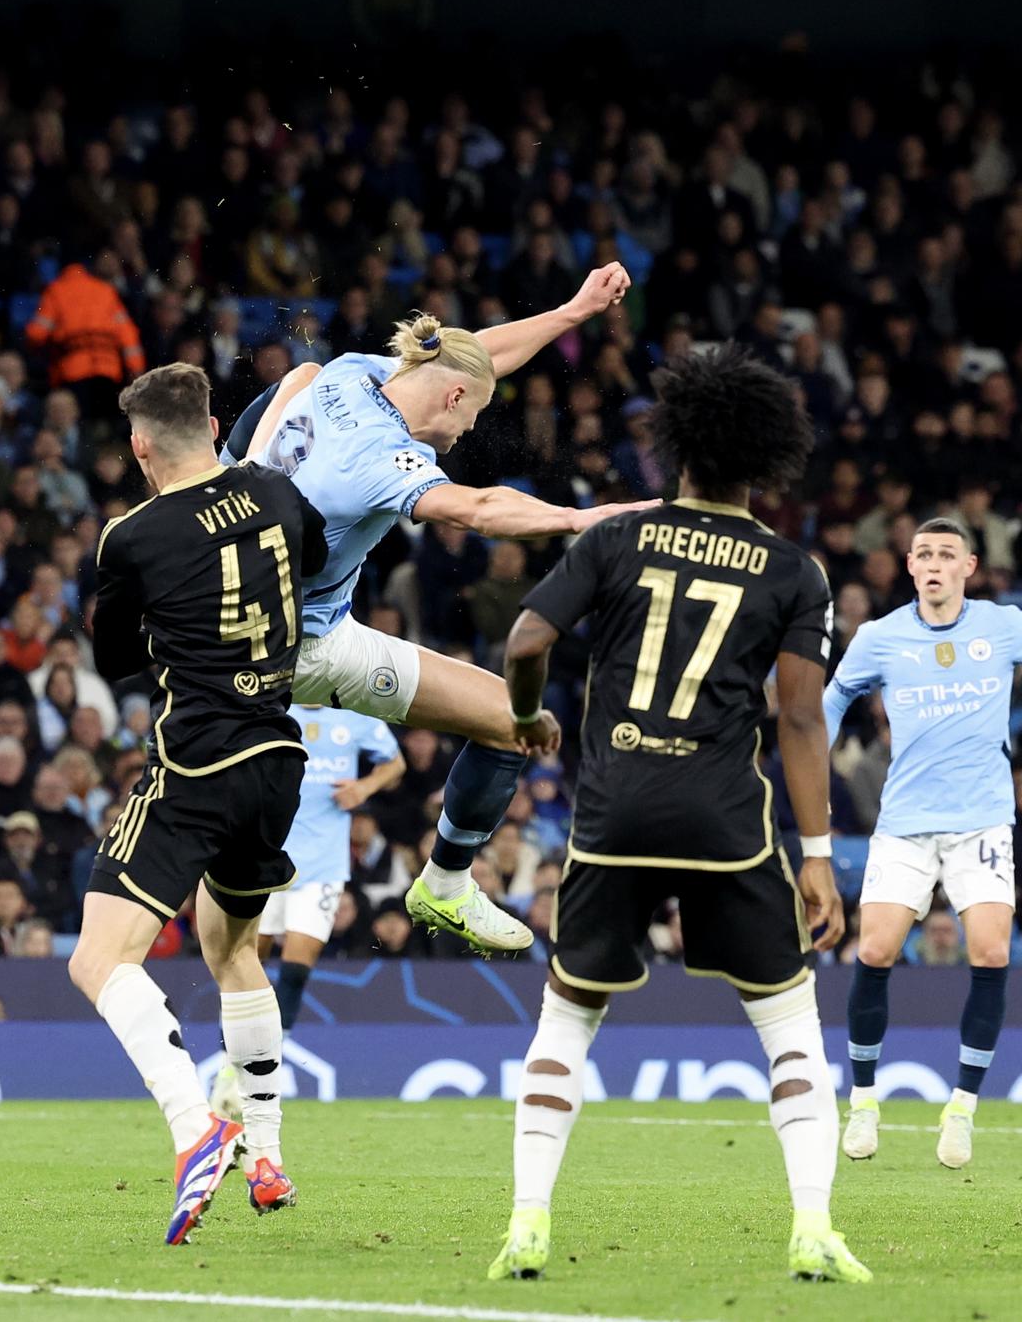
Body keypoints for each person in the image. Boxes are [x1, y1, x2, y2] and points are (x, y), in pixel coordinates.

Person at [485, 347, 868, 1284]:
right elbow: (803, 716)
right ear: (765, 460)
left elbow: (527, 636)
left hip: (614, 812)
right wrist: (816, 856)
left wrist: (529, 712)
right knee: (788, 1027)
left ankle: (528, 1221)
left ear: (677, 448)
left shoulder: (616, 539)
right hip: (725, 822)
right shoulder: (794, 570)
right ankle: (813, 1227)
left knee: (568, 1018)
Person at [227, 269, 655, 953]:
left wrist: (573, 312)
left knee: (507, 720)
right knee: (518, 722)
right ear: (453, 397)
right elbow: (480, 508)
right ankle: (447, 877)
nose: (466, 430)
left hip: (244, 612)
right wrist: (585, 517)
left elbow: (474, 355)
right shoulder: (384, 456)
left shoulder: (352, 372)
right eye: (473, 414)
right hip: (289, 648)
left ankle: (445, 888)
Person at [66, 362, 326, 1246]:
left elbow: (112, 662)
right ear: (214, 424)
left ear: (142, 449)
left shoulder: (131, 536)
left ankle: (195, 1130)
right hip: (277, 761)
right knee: (233, 946)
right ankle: (265, 1155)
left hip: (197, 761)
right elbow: (316, 559)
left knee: (100, 961)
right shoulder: (279, 495)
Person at [823, 518, 1022, 1170]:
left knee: (991, 951)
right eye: (925, 554)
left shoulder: (1002, 625)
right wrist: (807, 768)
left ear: (969, 566)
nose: (935, 564)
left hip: (982, 820)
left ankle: (961, 1110)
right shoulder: (881, 637)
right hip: (905, 820)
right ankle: (864, 1101)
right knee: (876, 948)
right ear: (910, 566)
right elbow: (833, 700)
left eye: (948, 555)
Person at [218, 704, 401, 1099]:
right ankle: (229, 1059)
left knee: (296, 970)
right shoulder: (274, 708)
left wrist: (364, 788)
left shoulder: (354, 717)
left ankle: (266, 1063)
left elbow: (395, 763)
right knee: (249, 961)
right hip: (267, 858)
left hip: (323, 867)